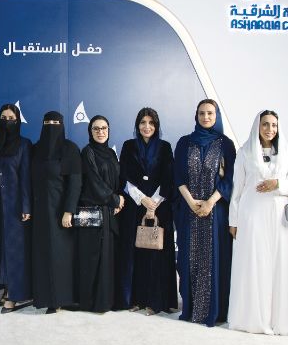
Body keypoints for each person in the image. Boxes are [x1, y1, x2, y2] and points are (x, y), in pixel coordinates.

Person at [228, 110, 288, 335]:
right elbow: (237, 189)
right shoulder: (245, 152)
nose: (270, 129)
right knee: (253, 263)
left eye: (274, 125)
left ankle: (280, 321)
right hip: (251, 215)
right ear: (257, 126)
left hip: (280, 218)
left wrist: (278, 184)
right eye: (265, 125)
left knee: (280, 265)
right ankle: (251, 319)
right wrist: (234, 220)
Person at [174, 99, 236, 327]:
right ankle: (191, 308)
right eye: (202, 113)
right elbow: (178, 176)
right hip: (189, 210)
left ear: (216, 116)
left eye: (210, 113)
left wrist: (210, 202)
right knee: (189, 257)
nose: (206, 117)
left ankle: (215, 310)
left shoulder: (225, 144)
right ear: (196, 115)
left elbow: (230, 179)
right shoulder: (184, 143)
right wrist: (191, 202)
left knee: (216, 259)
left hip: (216, 212)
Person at [117, 107, 177, 315]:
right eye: (143, 122)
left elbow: (169, 177)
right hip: (134, 208)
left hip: (160, 208)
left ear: (156, 126)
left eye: (151, 123)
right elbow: (124, 176)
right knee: (135, 253)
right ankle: (136, 299)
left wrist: (154, 203)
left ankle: (155, 301)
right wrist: (142, 199)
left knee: (156, 255)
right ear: (137, 125)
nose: (147, 126)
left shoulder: (165, 147)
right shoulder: (128, 146)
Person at [31, 111, 82, 313]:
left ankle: (60, 298)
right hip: (39, 212)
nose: (52, 126)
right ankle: (44, 297)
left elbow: (75, 183)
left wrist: (69, 210)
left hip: (61, 213)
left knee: (61, 256)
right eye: (48, 122)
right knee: (42, 255)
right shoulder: (36, 149)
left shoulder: (70, 149)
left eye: (56, 122)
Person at [76, 115, 123, 313]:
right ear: (90, 131)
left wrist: (117, 200)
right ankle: (92, 302)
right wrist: (115, 199)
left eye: (104, 128)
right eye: (96, 128)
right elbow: (94, 182)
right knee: (93, 258)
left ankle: (106, 300)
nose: (100, 132)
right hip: (93, 212)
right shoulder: (87, 152)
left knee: (107, 258)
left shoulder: (111, 153)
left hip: (110, 212)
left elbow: (116, 179)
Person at [0, 104, 33, 314]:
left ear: (17, 121)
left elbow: (26, 176)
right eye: (3, 118)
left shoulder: (24, 144)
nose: (7, 122)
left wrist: (26, 206)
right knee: (0, 247)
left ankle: (14, 295)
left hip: (15, 206)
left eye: (11, 118)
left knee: (15, 250)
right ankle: (2, 287)